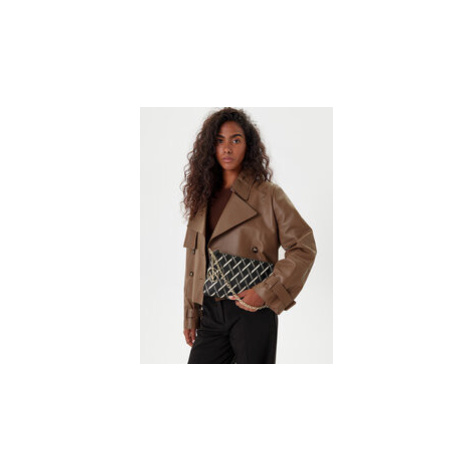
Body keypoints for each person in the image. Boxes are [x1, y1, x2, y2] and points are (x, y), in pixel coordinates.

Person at [181, 107, 317, 364]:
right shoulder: (202, 196)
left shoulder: (269, 194)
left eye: (236, 140)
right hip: (210, 310)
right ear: (210, 147)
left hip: (252, 310)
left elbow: (304, 247)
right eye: (219, 141)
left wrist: (265, 292)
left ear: (248, 145)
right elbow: (194, 259)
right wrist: (191, 312)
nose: (227, 148)